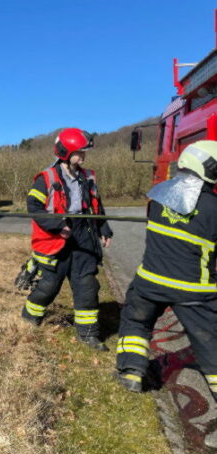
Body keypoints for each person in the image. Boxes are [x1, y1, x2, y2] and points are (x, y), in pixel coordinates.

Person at [116, 140, 217, 395]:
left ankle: (131, 371)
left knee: (135, 321)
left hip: (149, 282)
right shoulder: (214, 208)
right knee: (209, 343)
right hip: (194, 291)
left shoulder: (159, 197)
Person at [21, 128, 113, 351]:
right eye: (79, 153)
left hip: (83, 235)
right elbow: (34, 207)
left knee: (87, 285)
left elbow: (96, 205)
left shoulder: (88, 176)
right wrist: (57, 225)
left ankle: (88, 333)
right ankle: (29, 318)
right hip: (57, 237)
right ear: (64, 152)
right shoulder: (46, 178)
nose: (83, 157)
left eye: (84, 153)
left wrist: (103, 228)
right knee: (49, 286)